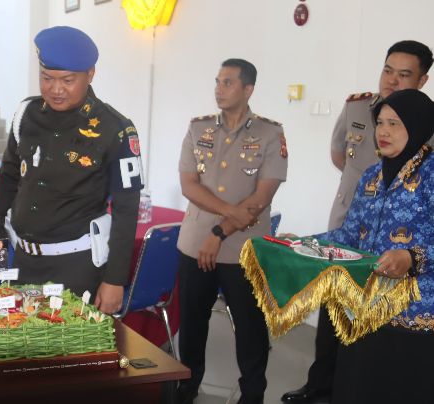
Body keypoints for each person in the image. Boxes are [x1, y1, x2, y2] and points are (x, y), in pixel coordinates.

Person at [282, 40, 432, 404]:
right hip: (362, 309)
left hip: (415, 316)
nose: (383, 132)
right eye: (381, 122)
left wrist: (412, 258)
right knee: (356, 388)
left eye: (395, 124)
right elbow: (349, 235)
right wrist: (302, 243)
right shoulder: (371, 177)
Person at [0, 26, 143, 314]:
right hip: (22, 261)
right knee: (21, 349)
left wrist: (115, 280)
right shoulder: (26, 114)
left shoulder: (115, 128)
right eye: (47, 78)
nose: (55, 89)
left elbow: (126, 209)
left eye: (67, 80)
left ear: (90, 74)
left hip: (76, 266)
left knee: (70, 354)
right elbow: (8, 179)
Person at [176, 59, 287, 404]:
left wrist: (220, 231)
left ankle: (253, 394)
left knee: (250, 328)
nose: (218, 89)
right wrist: (227, 213)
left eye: (227, 83)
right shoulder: (198, 128)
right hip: (195, 244)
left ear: (247, 89)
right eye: (217, 82)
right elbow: (188, 185)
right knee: (192, 324)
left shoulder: (270, 133)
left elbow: (263, 196)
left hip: (243, 249)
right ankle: (187, 385)